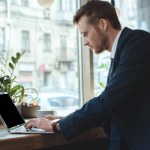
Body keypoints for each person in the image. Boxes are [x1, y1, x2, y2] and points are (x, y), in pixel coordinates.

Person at [25, 1, 150, 150]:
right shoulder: (122, 51)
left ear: (103, 24)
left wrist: (57, 126)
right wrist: (65, 120)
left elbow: (109, 100)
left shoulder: (139, 43)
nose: (84, 42)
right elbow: (113, 106)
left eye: (85, 34)